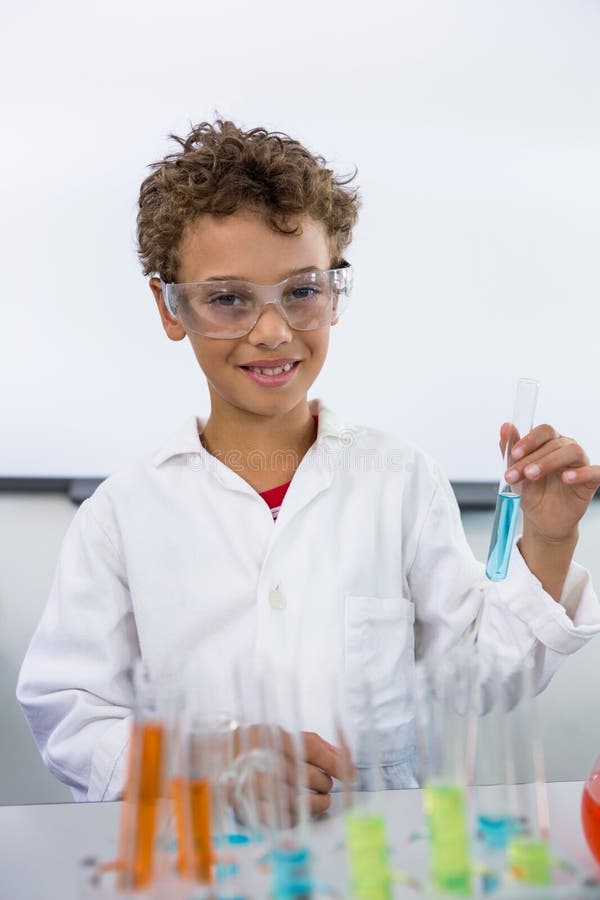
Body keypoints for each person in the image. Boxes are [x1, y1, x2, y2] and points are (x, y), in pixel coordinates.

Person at [17, 120, 600, 810]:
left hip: (371, 861)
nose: (273, 330)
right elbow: (70, 717)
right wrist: (208, 764)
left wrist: (549, 541)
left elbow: (485, 677)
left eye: (301, 291)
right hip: (200, 862)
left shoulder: (400, 481)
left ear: (334, 290)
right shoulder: (121, 515)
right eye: (228, 298)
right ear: (170, 308)